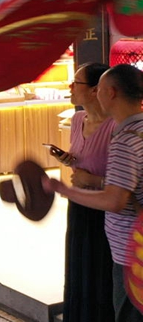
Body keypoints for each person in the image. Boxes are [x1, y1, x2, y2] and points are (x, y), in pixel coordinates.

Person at [44, 63, 143, 322]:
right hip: (133, 240)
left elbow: (115, 200)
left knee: (127, 309)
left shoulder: (124, 138)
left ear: (109, 92)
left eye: (99, 88)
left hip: (130, 246)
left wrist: (62, 188)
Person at [53, 63, 115, 321]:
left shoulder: (117, 127)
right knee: (77, 264)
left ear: (94, 91)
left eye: (76, 82)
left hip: (104, 209)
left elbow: (128, 180)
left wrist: (92, 179)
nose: (70, 87)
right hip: (78, 204)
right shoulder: (77, 119)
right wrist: (69, 160)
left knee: (100, 268)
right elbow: (82, 159)